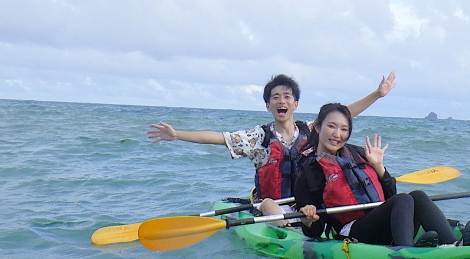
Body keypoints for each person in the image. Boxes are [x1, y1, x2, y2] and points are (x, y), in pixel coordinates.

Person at [147, 72, 396, 220]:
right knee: (268, 204)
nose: (281, 101)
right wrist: (177, 134)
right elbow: (218, 137)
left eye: (287, 96)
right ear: (268, 106)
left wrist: (377, 94)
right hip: (274, 205)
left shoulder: (310, 130)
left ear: (295, 104)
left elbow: (343, 115)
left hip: (307, 201)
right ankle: (286, 226)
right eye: (275, 97)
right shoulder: (259, 137)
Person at [295, 103, 470, 247]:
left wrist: (379, 167)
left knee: (417, 196)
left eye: (344, 129)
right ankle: (405, 254)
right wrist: (309, 220)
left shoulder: (359, 154)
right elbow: (314, 233)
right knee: (403, 199)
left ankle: (451, 245)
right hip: (352, 232)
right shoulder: (308, 172)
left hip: (381, 222)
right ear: (318, 127)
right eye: (331, 126)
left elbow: (390, 196)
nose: (337, 134)